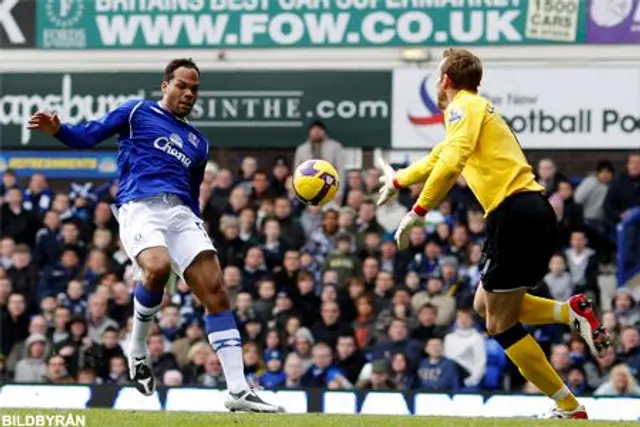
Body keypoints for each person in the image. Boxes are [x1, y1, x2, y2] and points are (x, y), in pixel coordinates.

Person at [27, 58, 282, 413]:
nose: (189, 93)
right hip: (140, 207)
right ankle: (137, 348)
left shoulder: (199, 143)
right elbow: (87, 136)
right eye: (182, 85)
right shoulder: (136, 112)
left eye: (194, 88)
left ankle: (238, 390)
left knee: (217, 292)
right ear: (165, 86)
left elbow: (192, 194)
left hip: (180, 214)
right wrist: (58, 129)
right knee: (158, 267)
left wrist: (195, 226)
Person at [374, 48, 610, 419]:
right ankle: (570, 312)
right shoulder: (473, 111)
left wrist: (418, 211)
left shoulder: (461, 107)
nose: (437, 81)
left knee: (499, 323)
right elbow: (439, 157)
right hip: (528, 212)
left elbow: (452, 164)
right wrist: (399, 179)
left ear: (447, 81)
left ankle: (568, 406)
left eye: (439, 75)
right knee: (485, 305)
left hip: (515, 214)